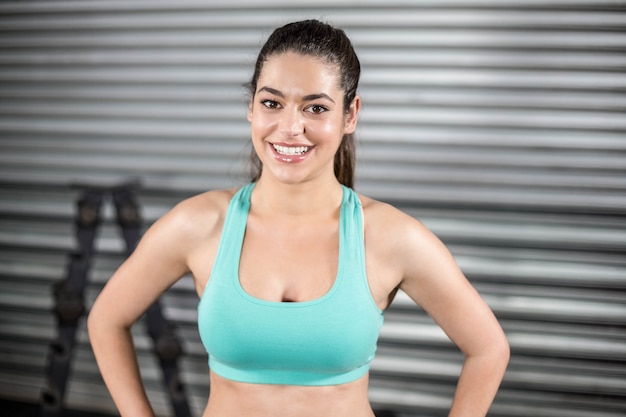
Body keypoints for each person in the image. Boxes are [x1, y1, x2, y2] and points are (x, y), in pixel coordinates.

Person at [88, 19, 510, 417]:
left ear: (351, 114)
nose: (290, 127)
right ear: (251, 108)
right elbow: (107, 319)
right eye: (272, 102)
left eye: (315, 108)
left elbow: (488, 349)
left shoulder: (387, 236)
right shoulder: (199, 224)